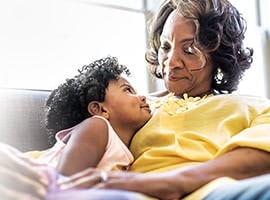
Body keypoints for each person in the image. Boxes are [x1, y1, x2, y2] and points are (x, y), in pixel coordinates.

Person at [2, 0, 270, 199]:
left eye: (189, 50)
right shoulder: (135, 109)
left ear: (219, 58)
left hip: (214, 192)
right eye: (165, 47)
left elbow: (261, 160)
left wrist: (169, 183)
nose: (171, 62)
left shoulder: (255, 107)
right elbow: (60, 162)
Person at [34, 56, 151, 176]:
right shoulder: (97, 126)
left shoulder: (125, 151)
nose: (142, 97)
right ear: (99, 109)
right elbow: (67, 180)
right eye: (127, 90)